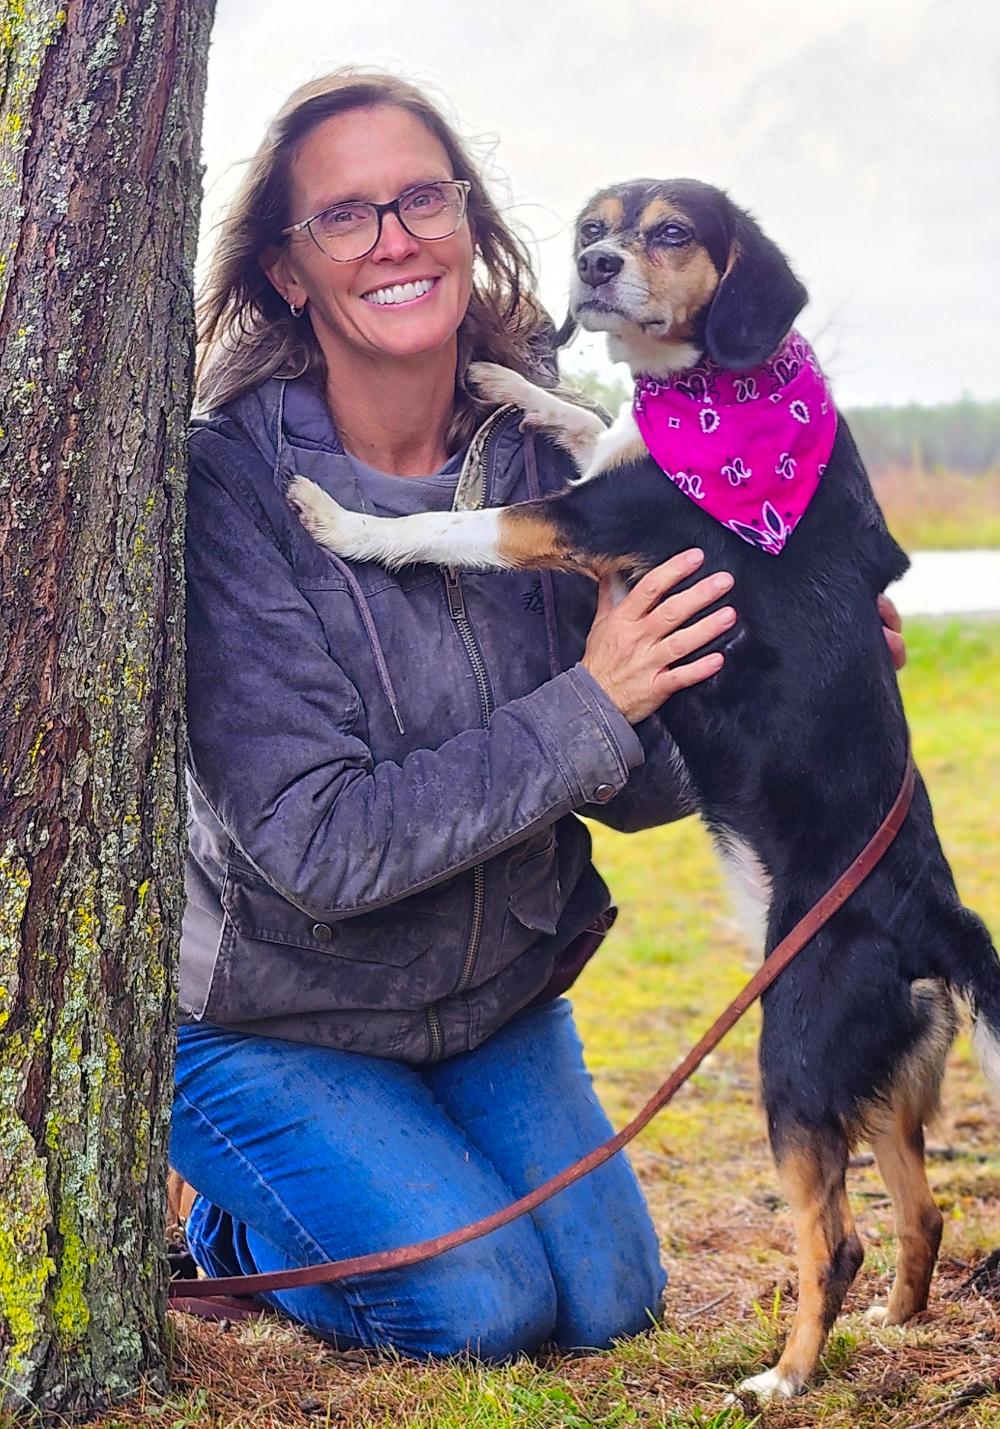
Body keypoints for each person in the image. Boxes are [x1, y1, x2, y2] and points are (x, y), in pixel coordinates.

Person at [171, 68, 905, 1360]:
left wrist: (777, 670)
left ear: (467, 224)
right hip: (268, 1017)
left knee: (612, 1298)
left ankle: (402, 1159)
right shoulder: (228, 488)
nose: (395, 238)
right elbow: (318, 848)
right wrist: (594, 694)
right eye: (346, 217)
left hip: (487, 1004)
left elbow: (635, 788)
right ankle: (228, 1221)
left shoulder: (545, 461)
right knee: (480, 1305)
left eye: (421, 200)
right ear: (289, 271)